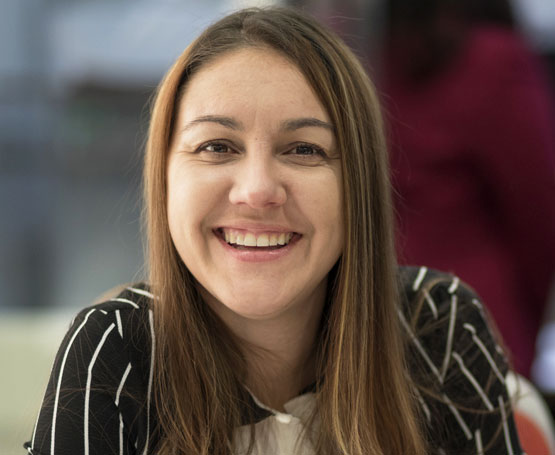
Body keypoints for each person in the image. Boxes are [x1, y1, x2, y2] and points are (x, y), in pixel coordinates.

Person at [25, 7, 522, 455]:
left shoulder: (440, 326)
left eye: (304, 149)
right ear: (164, 180)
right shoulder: (115, 352)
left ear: (359, 186)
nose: (258, 190)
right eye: (217, 147)